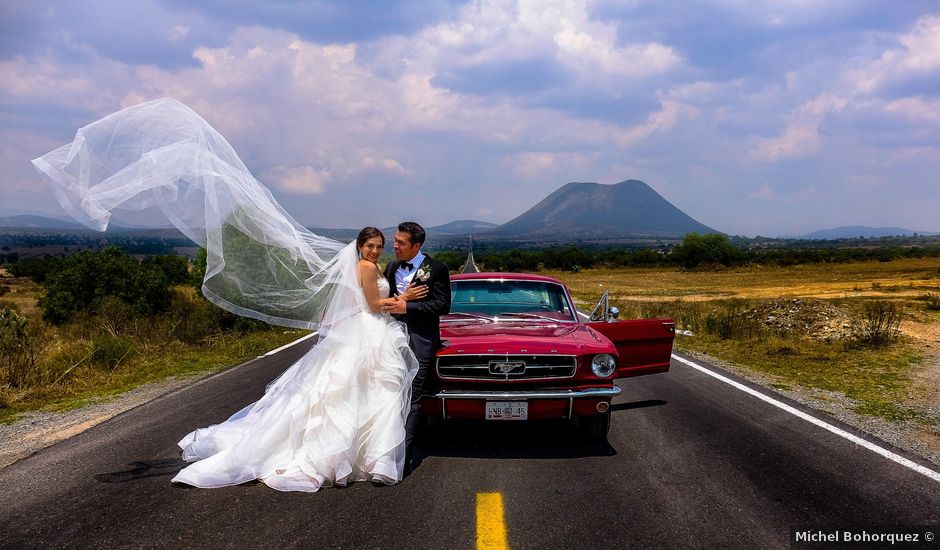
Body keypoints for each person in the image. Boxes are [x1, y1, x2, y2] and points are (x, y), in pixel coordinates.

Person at [28, 98, 434, 490]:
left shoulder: (376, 266)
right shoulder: (366, 269)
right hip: (369, 328)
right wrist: (405, 300)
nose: (377, 250)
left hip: (368, 331)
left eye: (382, 245)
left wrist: (401, 297)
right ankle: (354, 456)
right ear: (360, 247)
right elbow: (371, 304)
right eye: (373, 245)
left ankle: (363, 455)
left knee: (355, 394)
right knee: (348, 394)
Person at [382, 222, 451, 469]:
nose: (395, 246)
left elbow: (442, 305)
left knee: (412, 395)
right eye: (395, 241)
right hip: (388, 339)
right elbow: (383, 301)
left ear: (417, 245)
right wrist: (399, 302)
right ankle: (383, 448)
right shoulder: (390, 267)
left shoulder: (437, 269)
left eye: (400, 242)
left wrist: (407, 308)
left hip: (420, 341)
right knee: (388, 393)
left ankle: (403, 457)